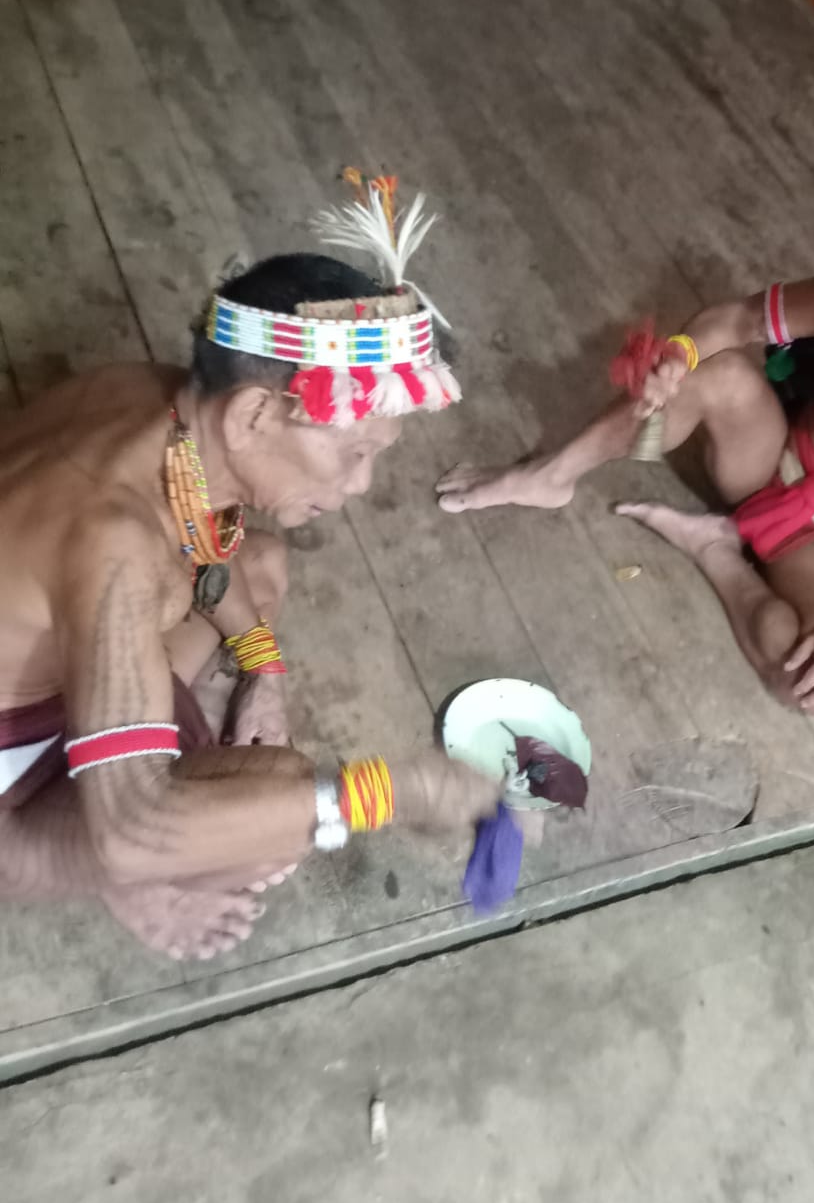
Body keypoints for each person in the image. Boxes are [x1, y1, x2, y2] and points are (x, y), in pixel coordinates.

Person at [0, 172, 495, 960]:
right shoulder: (115, 542)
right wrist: (394, 792)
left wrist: (264, 668)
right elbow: (132, 829)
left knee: (259, 569)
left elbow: (209, 558)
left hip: (61, 655)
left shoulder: (153, 401)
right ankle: (110, 880)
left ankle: (122, 801)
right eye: (354, 451)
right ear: (255, 413)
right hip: (16, 763)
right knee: (271, 813)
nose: (360, 483)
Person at [436, 171, 814, 716]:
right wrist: (680, 356)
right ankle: (550, 475)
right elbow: (740, 320)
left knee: (810, 682)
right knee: (712, 373)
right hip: (766, 460)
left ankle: (715, 551)